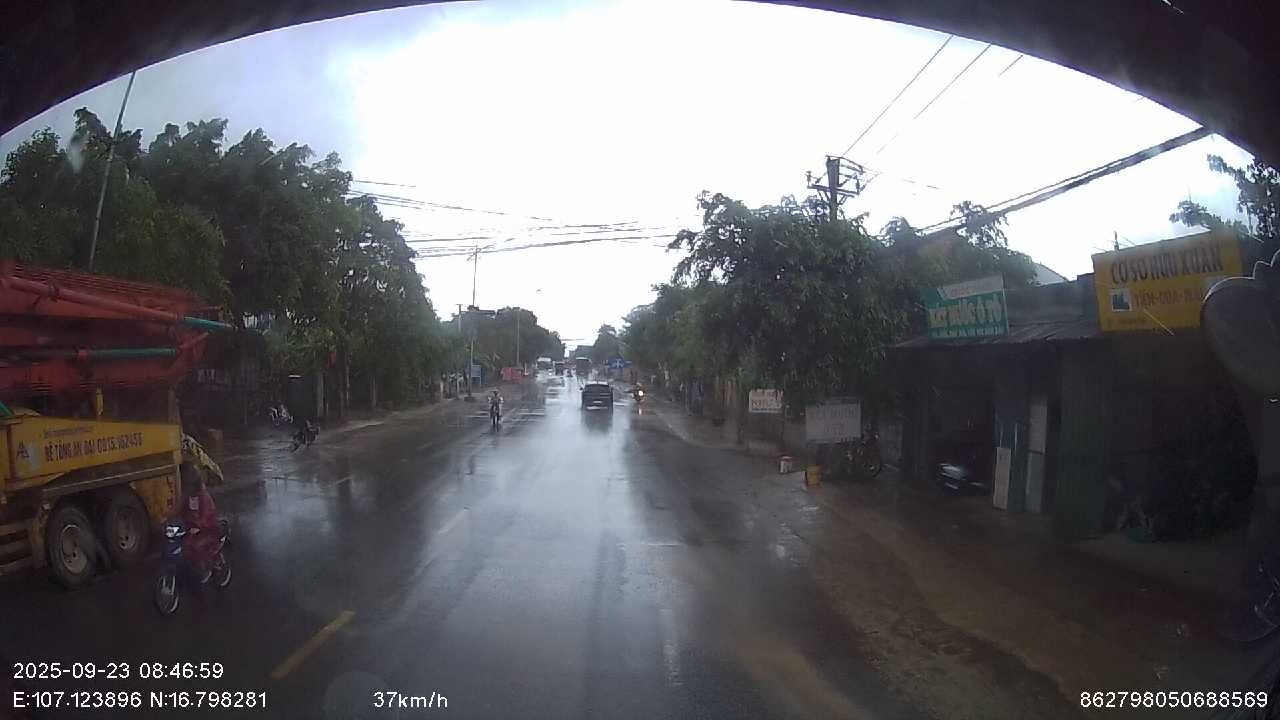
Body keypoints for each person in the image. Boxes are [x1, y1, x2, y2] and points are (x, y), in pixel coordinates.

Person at [179, 462, 221, 584]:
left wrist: (198, 526)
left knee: (196, 546)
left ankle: (205, 569)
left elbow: (205, 516)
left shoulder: (203, 496)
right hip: (193, 527)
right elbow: (181, 510)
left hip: (208, 528)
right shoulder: (188, 496)